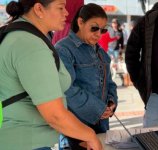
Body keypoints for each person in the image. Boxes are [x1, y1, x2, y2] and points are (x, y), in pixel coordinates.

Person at [0, 1, 102, 150]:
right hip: (25, 141)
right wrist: (90, 136)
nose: (66, 13)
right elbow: (55, 115)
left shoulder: (17, 35)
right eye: (60, 7)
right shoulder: (31, 45)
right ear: (39, 9)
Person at [54, 3, 118, 149]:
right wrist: (98, 109)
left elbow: (110, 83)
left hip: (101, 125)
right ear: (80, 22)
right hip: (75, 128)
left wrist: (111, 102)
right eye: (94, 28)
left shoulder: (101, 53)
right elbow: (67, 89)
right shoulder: (63, 49)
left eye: (103, 30)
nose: (98, 34)